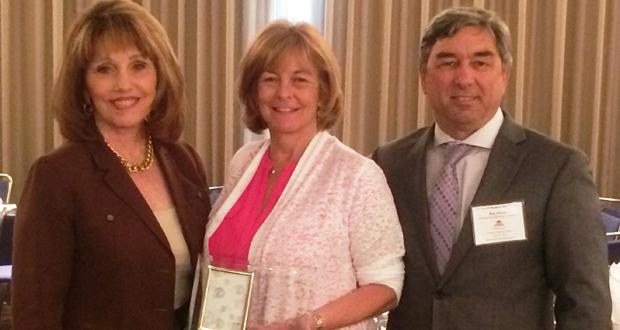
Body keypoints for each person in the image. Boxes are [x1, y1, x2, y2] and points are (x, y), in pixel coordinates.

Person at [372, 6, 611, 329]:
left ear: (504, 75)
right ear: (424, 77)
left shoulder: (556, 169)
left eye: (480, 62)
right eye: (448, 62)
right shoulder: (389, 164)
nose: (464, 78)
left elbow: (585, 302)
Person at [12, 1, 211, 329]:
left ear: (159, 76)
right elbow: (35, 314)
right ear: (84, 86)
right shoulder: (56, 176)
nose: (123, 84)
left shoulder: (184, 162)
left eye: (138, 65)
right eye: (104, 68)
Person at [203, 20, 405, 329]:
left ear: (322, 92)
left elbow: (386, 284)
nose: (284, 93)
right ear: (254, 91)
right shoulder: (243, 162)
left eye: (300, 80)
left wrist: (310, 322)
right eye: (270, 79)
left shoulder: (357, 175)